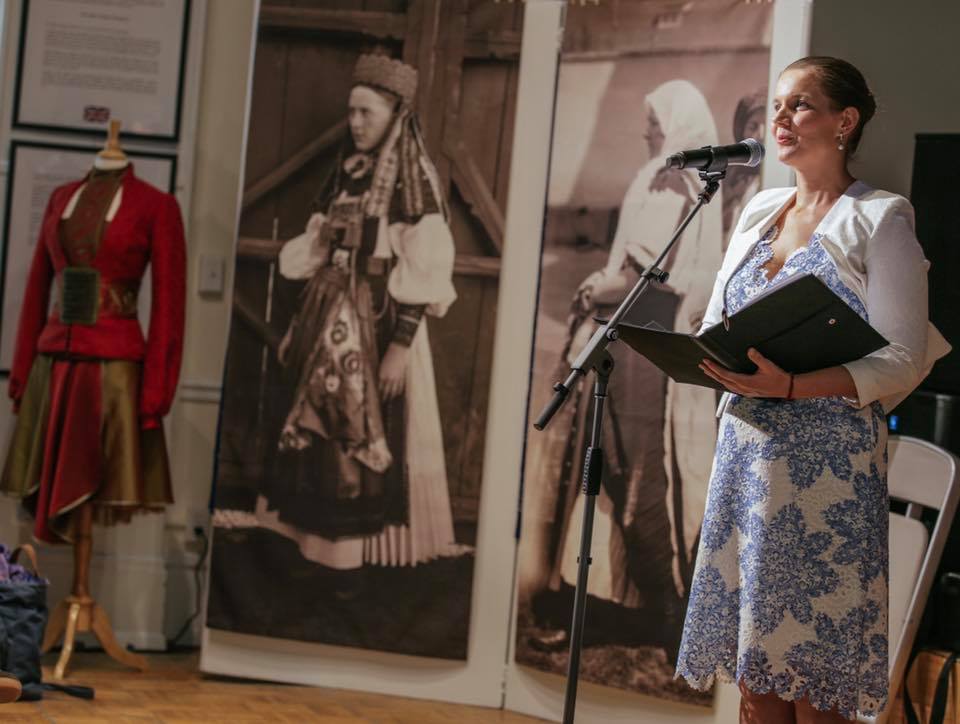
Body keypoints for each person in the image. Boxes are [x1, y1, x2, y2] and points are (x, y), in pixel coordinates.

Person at [673, 57, 951, 722]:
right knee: (755, 678)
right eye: (778, 105)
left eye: (799, 105)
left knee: (814, 682)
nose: (780, 119)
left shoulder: (880, 218)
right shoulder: (759, 210)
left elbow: (904, 359)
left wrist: (794, 384)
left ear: (844, 121)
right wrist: (708, 354)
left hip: (826, 472)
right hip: (747, 460)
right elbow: (716, 320)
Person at [254, 54, 459, 594]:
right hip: (324, 317)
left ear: (396, 114)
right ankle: (311, 545)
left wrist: (399, 347)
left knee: (360, 433)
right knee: (314, 432)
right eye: (351, 112)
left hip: (378, 326)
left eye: (367, 112)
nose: (356, 123)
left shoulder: (412, 182)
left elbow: (426, 269)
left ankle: (355, 558)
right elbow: (312, 253)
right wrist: (301, 320)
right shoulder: (347, 173)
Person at [536, 80, 723, 652]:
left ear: (679, 128)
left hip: (646, 349)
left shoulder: (685, 187)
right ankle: (595, 606)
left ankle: (667, 613)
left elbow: (653, 279)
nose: (646, 132)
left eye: (655, 124)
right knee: (597, 470)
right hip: (618, 338)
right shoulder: (651, 178)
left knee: (636, 475)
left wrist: (601, 287)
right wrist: (602, 286)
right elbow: (628, 265)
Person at [722, 88, 767, 241]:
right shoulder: (726, 174)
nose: (760, 136)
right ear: (741, 131)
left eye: (767, 126)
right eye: (753, 127)